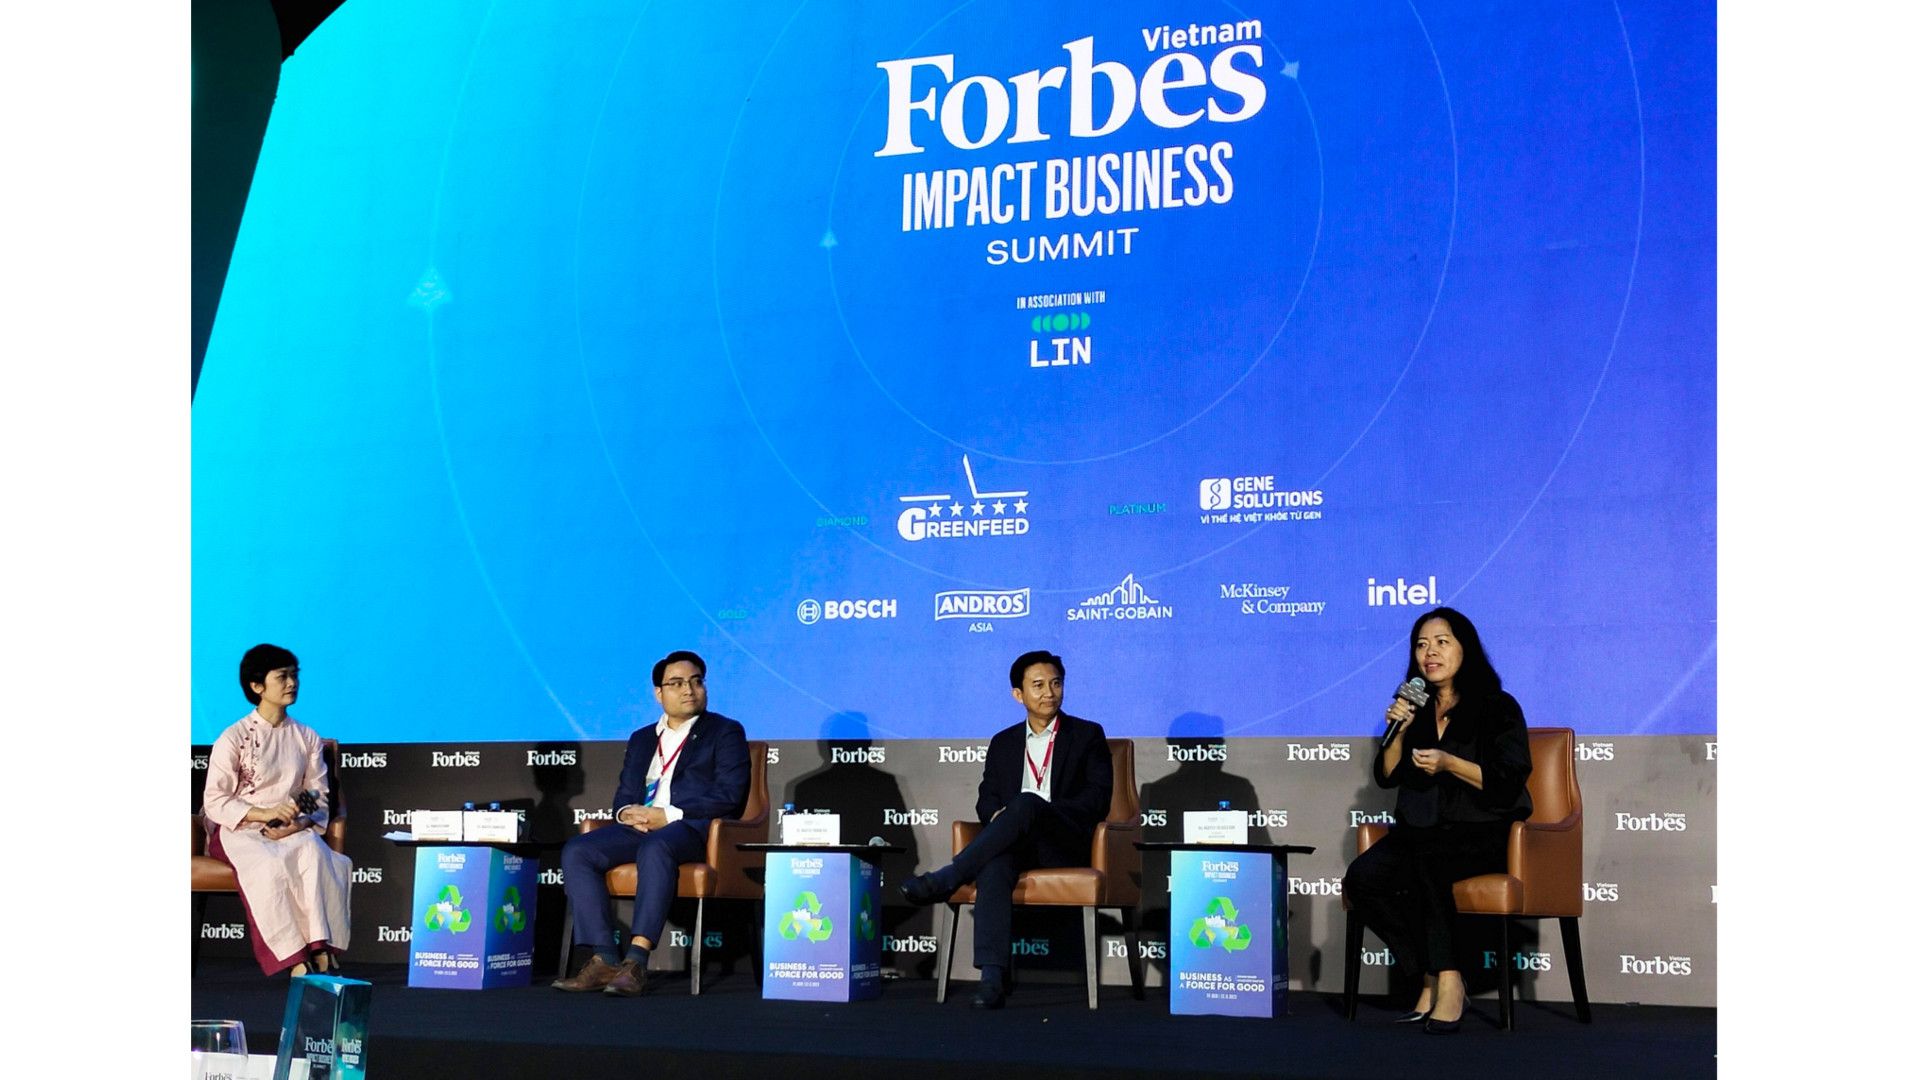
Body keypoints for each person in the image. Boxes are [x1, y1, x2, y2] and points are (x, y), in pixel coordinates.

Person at [1342, 607, 1533, 1034]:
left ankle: (1448, 981)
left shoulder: (1497, 707)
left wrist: (1450, 763)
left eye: (1442, 642)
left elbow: (1507, 781)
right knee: (1363, 878)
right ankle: (1429, 970)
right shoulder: (1416, 707)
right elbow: (1387, 775)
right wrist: (1400, 730)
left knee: (1429, 857)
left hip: (1481, 831)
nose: (1430, 652)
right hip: (1421, 830)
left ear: (1466, 650)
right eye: (1422, 644)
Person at [900, 650, 1112, 1009]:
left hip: (1064, 842)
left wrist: (1039, 811)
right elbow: (987, 800)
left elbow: (1097, 799)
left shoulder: (1087, 735)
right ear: (1018, 694)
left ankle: (949, 877)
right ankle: (992, 979)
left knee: (1027, 803)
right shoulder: (1004, 742)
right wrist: (1004, 815)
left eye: (1056, 683)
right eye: (1038, 685)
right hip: (1016, 841)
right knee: (996, 864)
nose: (1049, 693)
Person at [553, 650, 750, 997]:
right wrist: (627, 814)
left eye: (696, 681)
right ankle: (604, 958)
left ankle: (636, 961)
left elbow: (728, 795)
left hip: (691, 829)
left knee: (657, 846)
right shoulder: (642, 738)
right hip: (641, 827)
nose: (689, 690)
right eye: (677, 683)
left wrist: (669, 815)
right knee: (578, 851)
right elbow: (624, 795)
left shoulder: (724, 731)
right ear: (659, 693)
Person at [201, 644, 353, 977]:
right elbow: (215, 799)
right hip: (241, 829)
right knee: (268, 866)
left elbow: (316, 791)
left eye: (294, 676)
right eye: (282, 677)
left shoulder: (306, 737)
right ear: (257, 686)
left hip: (291, 827)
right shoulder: (234, 737)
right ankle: (293, 958)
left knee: (313, 853)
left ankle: (320, 947)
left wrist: (298, 822)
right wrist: (263, 814)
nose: (292, 683)